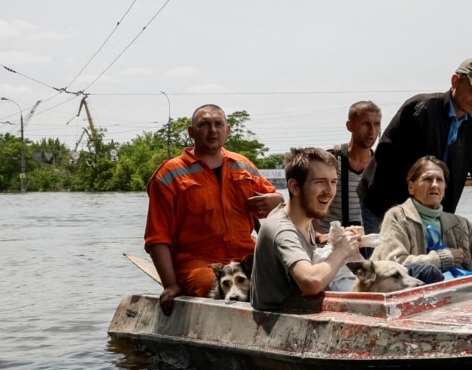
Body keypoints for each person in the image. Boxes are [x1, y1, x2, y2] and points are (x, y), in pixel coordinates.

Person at [145, 104, 282, 316]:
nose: (212, 130)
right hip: (198, 262)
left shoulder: (243, 165)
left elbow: (277, 208)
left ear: (228, 130)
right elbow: (157, 238)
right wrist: (170, 285)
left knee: (289, 277)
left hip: (247, 255)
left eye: (218, 124)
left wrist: (277, 199)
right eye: (204, 125)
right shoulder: (169, 175)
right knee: (216, 288)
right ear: (191, 132)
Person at [358, 57, 472, 234]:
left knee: (426, 260)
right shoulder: (420, 109)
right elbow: (386, 157)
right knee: (384, 260)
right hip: (382, 205)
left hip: (429, 214)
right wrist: (408, 213)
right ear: (455, 81)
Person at [252, 147, 364, 310]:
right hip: (280, 324)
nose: (329, 191)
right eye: (320, 182)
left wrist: (341, 242)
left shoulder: (303, 221)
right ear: (294, 187)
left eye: (333, 182)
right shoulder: (282, 229)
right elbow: (311, 282)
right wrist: (342, 250)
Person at [319, 101, 381, 229]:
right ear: (349, 126)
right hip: (328, 243)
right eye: (365, 124)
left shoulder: (381, 165)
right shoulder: (328, 157)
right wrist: (319, 235)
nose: (372, 131)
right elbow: (303, 201)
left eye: (377, 124)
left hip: (365, 243)